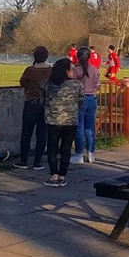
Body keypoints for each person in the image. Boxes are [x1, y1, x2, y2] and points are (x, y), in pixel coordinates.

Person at [43, 58, 86, 187]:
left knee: (52, 148)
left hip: (53, 120)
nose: (73, 71)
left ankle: (53, 175)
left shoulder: (47, 84)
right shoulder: (77, 85)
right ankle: (62, 175)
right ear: (67, 71)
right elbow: (82, 101)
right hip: (70, 120)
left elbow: (42, 99)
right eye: (71, 69)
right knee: (66, 149)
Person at [15, 46, 51, 170]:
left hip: (31, 103)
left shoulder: (30, 70)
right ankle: (37, 162)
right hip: (45, 104)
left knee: (26, 133)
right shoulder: (51, 70)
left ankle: (24, 161)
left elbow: (22, 82)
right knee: (42, 134)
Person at [72, 46, 100, 164]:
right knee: (90, 128)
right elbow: (98, 86)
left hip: (80, 99)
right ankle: (91, 153)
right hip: (92, 98)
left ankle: (79, 154)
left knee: (79, 128)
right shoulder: (94, 69)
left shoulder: (76, 70)